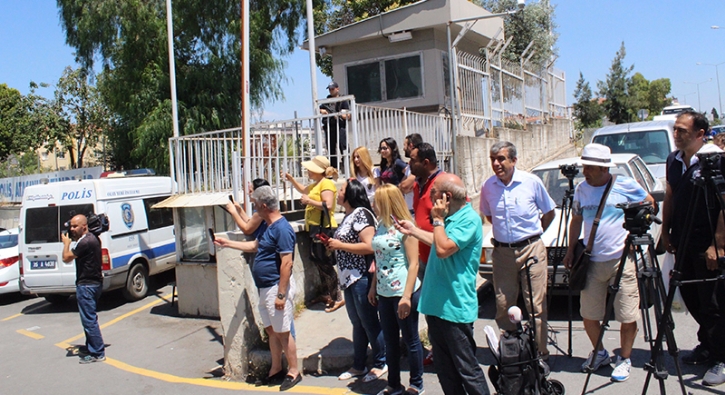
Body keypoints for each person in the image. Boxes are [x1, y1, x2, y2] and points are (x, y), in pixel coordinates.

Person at [562, 143, 656, 383]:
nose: (585, 171)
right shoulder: (582, 189)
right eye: (584, 166)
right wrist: (571, 249)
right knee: (589, 314)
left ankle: (624, 358)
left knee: (627, 314)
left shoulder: (624, 184)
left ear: (604, 168)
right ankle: (600, 352)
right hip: (591, 261)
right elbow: (577, 219)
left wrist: (637, 234)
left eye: (590, 167)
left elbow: (650, 204)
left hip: (622, 261)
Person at [397, 173, 489, 395]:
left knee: (466, 368)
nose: (429, 196)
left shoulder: (468, 219)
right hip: (437, 306)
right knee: (445, 369)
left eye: (433, 192)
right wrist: (413, 230)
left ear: (446, 197)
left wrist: (437, 220)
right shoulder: (451, 218)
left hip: (454, 308)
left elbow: (443, 248)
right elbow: (439, 240)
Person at [213, 186, 302, 391]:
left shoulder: (281, 228)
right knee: (272, 330)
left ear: (263, 205)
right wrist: (227, 243)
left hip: (274, 288)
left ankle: (294, 371)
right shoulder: (268, 226)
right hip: (265, 288)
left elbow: (286, 263)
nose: (253, 207)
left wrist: (281, 294)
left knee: (283, 332)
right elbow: (255, 246)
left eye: (254, 204)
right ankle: (276, 368)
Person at [661, 110, 725, 386]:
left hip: (707, 241)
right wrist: (665, 231)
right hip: (683, 239)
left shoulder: (715, 160)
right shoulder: (674, 160)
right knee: (689, 294)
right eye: (675, 129)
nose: (676, 135)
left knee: (714, 300)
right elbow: (670, 195)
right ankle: (708, 345)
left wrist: (717, 245)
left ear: (700, 134)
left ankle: (722, 356)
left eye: (682, 131)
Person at [478, 141, 555, 358]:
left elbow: (549, 213)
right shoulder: (488, 187)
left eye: (501, 159)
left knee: (536, 305)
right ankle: (513, 352)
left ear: (514, 160)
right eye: (493, 159)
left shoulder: (531, 182)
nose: (496, 163)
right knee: (503, 304)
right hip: (503, 253)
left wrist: (534, 235)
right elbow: (489, 216)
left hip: (532, 249)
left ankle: (540, 353)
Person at [326, 179, 387, 383]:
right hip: (348, 278)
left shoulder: (362, 214)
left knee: (369, 322)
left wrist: (340, 245)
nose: (338, 192)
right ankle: (359, 365)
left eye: (341, 189)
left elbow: (370, 246)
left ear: (351, 193)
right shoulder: (348, 215)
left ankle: (381, 362)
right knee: (357, 323)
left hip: (361, 276)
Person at [369, 184, 424, 395]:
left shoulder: (405, 226)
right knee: (390, 341)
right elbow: (379, 258)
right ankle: (393, 383)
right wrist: (373, 286)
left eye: (377, 201)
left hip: (403, 291)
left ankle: (416, 384)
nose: (373, 205)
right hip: (384, 292)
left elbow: (414, 264)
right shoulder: (380, 225)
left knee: (410, 340)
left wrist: (407, 297)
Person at [284, 156, 344, 312]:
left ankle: (337, 296)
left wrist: (309, 202)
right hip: (315, 228)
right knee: (318, 261)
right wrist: (291, 180)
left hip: (324, 228)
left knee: (325, 262)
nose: (308, 171)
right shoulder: (316, 185)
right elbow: (303, 189)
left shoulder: (326, 184)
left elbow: (328, 205)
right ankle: (327, 293)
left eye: (310, 169)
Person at [62, 214, 105, 364]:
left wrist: (66, 243)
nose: (72, 229)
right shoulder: (91, 239)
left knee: (89, 320)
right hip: (93, 283)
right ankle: (91, 346)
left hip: (87, 285)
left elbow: (66, 258)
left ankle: (97, 353)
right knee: (89, 318)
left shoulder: (86, 242)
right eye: (71, 226)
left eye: (75, 226)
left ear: (84, 227)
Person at [409, 142, 444, 282]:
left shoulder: (443, 184)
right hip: (422, 258)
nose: (409, 164)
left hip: (440, 260)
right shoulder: (417, 185)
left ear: (425, 162)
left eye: (412, 160)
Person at [320, 81, 350, 169]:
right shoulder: (327, 100)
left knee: (343, 146)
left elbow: (348, 114)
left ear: (337, 89)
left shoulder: (342, 100)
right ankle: (333, 169)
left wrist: (341, 115)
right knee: (331, 148)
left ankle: (347, 167)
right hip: (329, 127)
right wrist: (322, 111)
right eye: (329, 89)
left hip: (340, 126)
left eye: (332, 89)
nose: (331, 91)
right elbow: (319, 108)